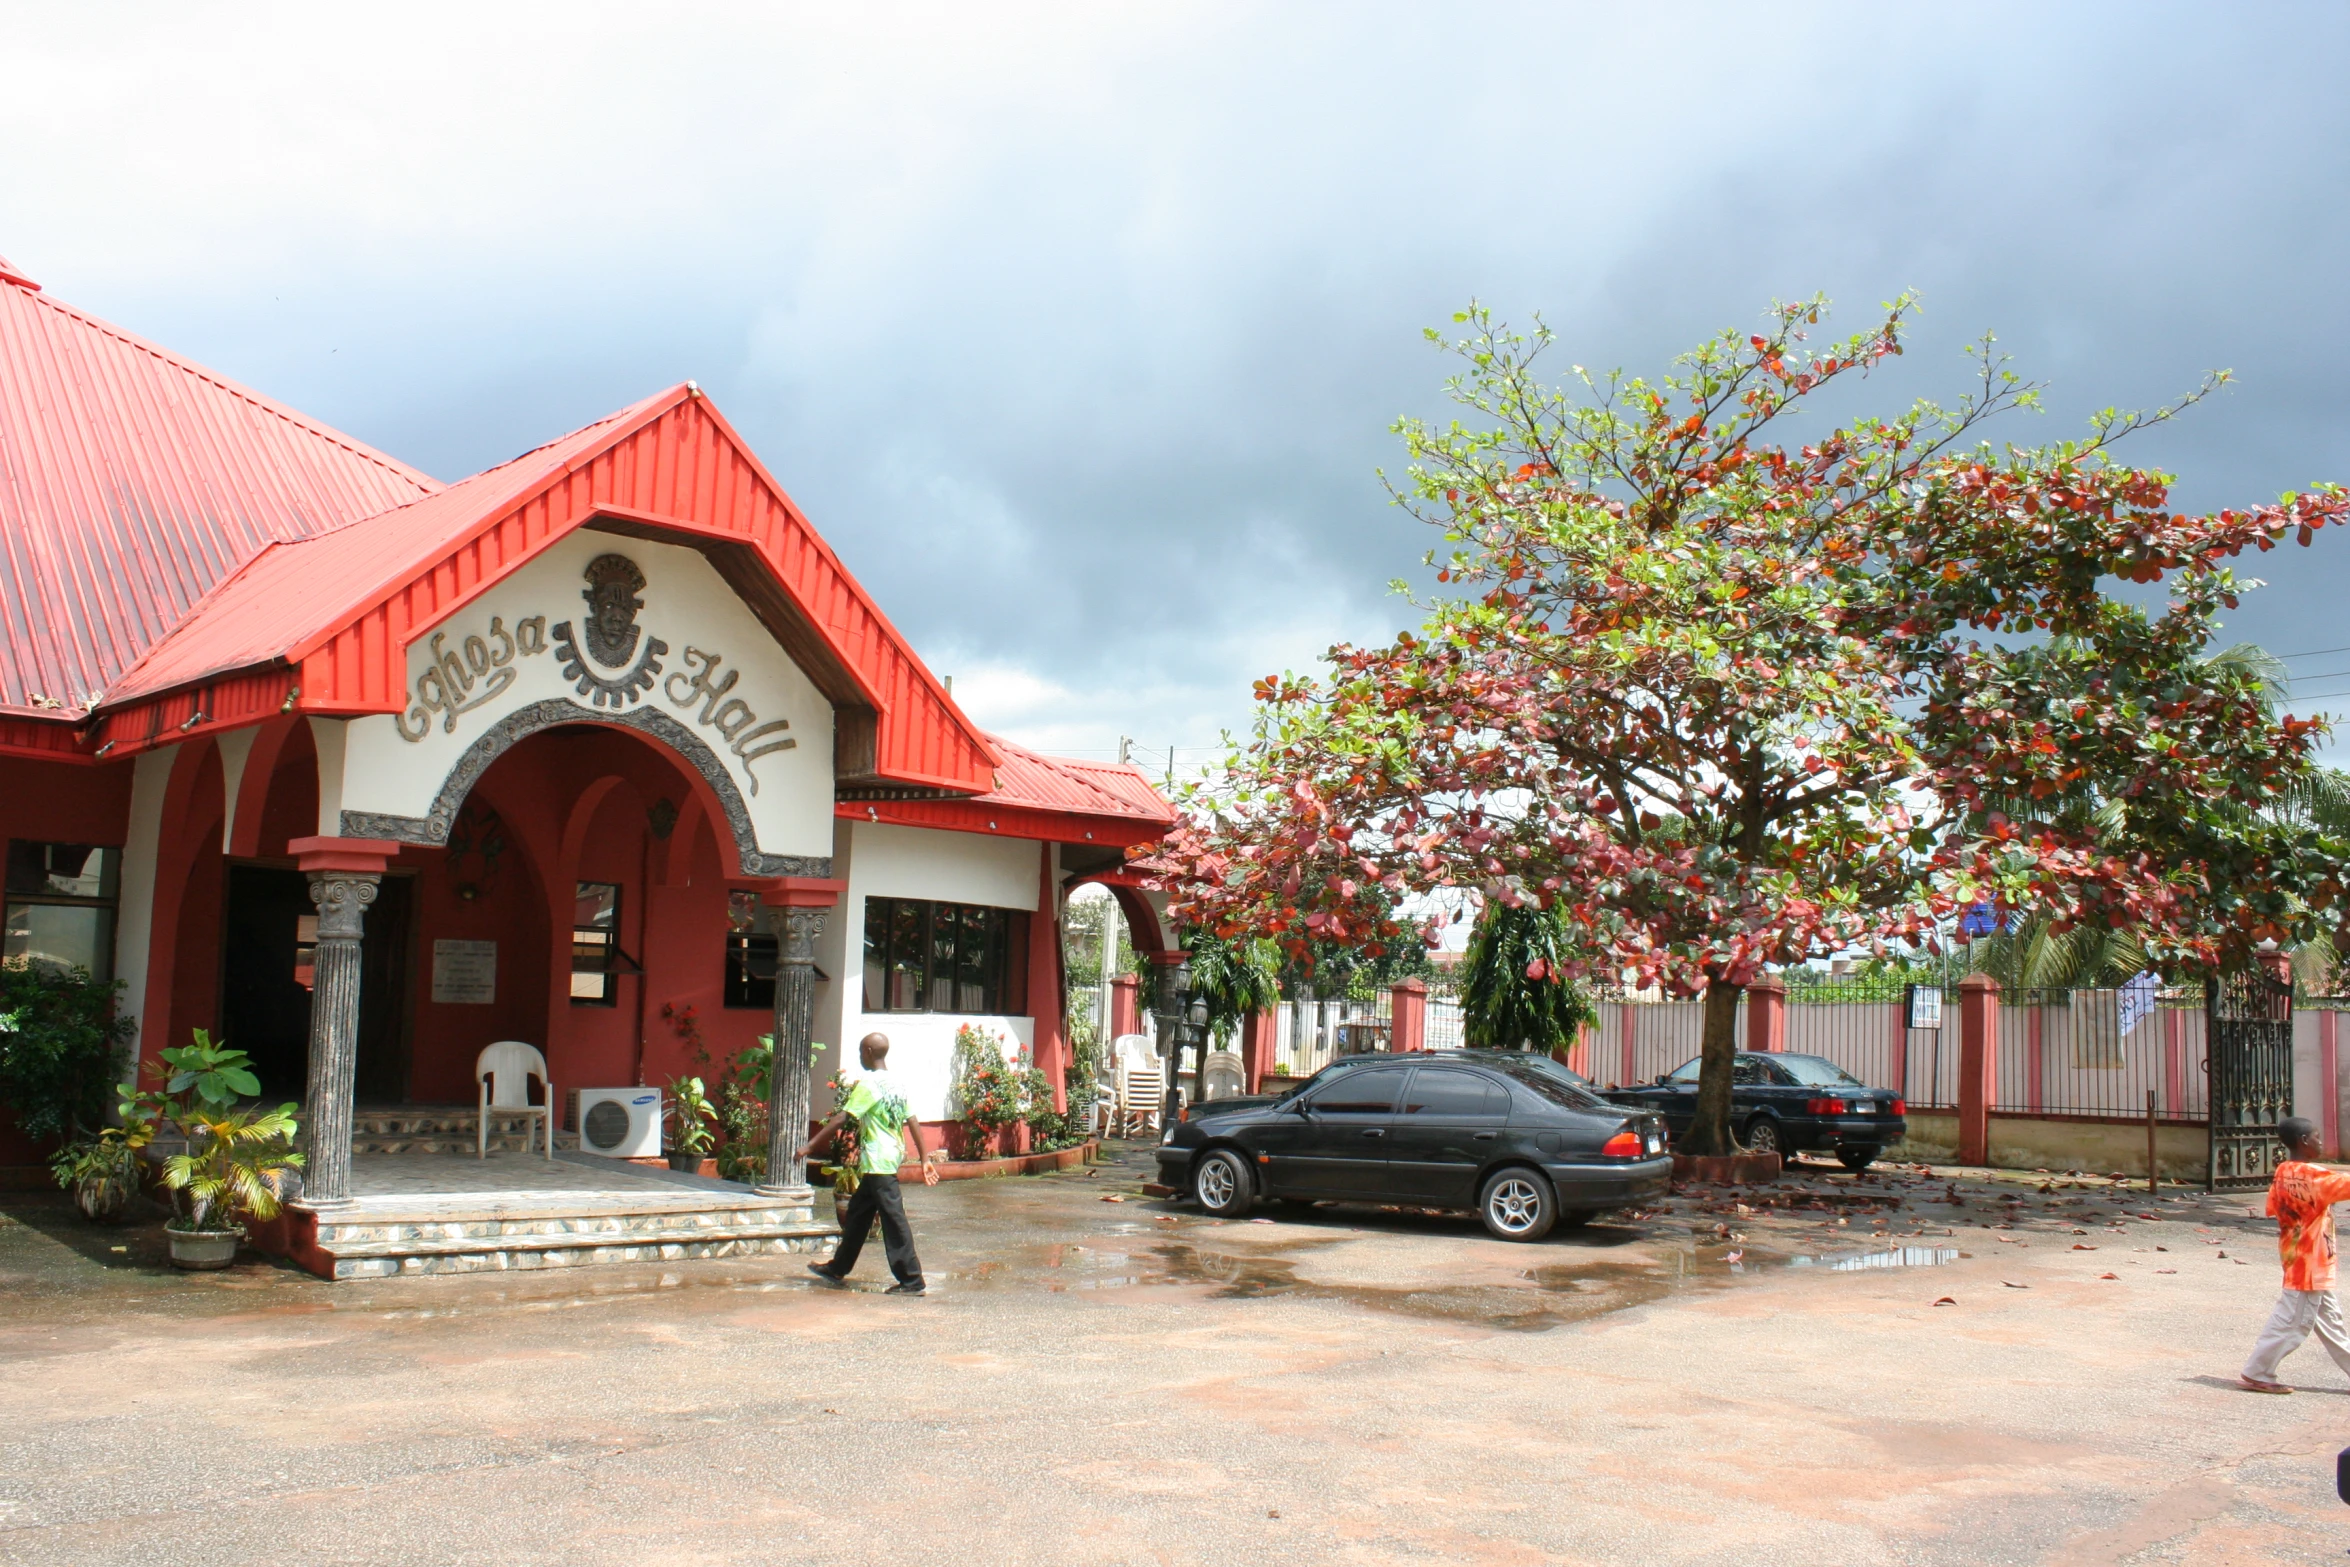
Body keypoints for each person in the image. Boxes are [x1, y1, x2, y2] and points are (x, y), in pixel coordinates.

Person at [799, 1032, 938, 1296]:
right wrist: (924, 1158)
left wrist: (810, 1145)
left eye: (861, 1051)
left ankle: (912, 1280)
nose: (860, 1056)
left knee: (894, 1220)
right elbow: (913, 1120)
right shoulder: (897, 1083)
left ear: (869, 1051)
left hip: (878, 1160)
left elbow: (843, 1118)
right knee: (858, 1213)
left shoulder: (869, 1083)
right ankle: (838, 1268)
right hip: (889, 1156)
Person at [2239, 1116, 2350, 1393]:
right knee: (2292, 1322)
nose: (2320, 1142)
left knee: (2331, 1322)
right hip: (2309, 1263)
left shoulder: (2283, 1171)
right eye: (2317, 1137)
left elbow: (2274, 1207)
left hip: (2298, 1256)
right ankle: (2258, 1371)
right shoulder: (2313, 1177)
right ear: (2303, 1141)